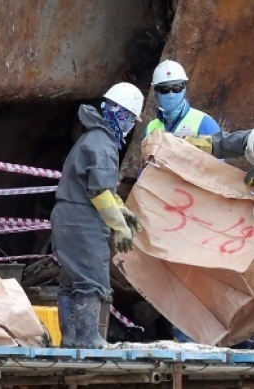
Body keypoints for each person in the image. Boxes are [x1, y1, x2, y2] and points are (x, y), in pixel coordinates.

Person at [52, 82, 144, 349]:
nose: (129, 125)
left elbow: (96, 187)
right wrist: (119, 227)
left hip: (69, 214)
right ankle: (88, 339)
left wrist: (122, 210)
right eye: (129, 118)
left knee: (73, 279)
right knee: (91, 278)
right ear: (121, 115)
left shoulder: (92, 138)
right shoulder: (103, 144)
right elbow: (99, 193)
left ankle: (72, 339)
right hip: (81, 218)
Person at [143, 60, 221, 141]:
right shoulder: (150, 129)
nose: (171, 95)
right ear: (156, 93)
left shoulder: (204, 123)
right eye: (164, 89)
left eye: (177, 88)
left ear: (184, 89)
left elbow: (218, 151)